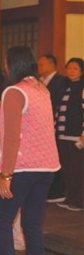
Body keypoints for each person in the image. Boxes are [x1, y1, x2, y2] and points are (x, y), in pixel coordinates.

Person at [0, 46, 60, 255]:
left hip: (22, 168)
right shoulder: (40, 89)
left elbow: (11, 137)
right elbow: (13, 115)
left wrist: (5, 175)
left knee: (2, 220)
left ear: (11, 64)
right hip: (47, 166)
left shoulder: (14, 91)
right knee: (32, 223)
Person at [55, 57, 83, 212]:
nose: (71, 71)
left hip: (76, 136)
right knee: (67, 169)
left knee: (78, 170)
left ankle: (79, 200)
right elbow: (59, 111)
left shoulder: (81, 88)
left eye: (75, 68)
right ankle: (70, 197)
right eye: (69, 68)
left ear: (81, 71)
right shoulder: (64, 87)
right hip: (63, 134)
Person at [38, 53, 67, 203]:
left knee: (57, 157)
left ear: (52, 64)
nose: (39, 67)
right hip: (41, 125)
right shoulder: (38, 81)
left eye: (42, 64)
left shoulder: (61, 81)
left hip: (55, 123)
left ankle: (58, 191)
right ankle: (49, 191)